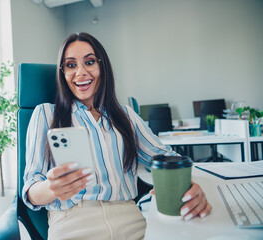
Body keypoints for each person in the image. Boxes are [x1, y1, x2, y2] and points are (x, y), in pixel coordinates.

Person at [23, 32, 212, 239]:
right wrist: (52, 188)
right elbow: (31, 189)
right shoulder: (45, 114)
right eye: (70, 65)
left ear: (102, 66)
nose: (81, 72)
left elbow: (164, 157)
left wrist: (188, 184)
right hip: (72, 223)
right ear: (62, 72)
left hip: (129, 219)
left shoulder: (125, 115)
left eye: (90, 62)